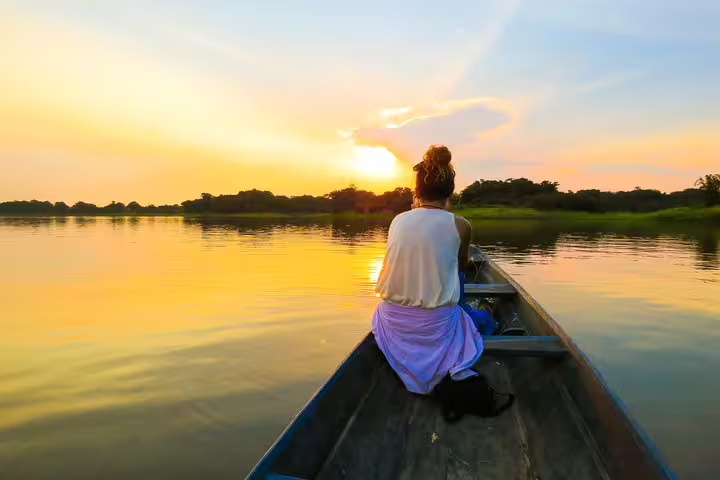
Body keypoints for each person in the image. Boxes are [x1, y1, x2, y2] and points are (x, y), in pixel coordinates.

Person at [373, 145, 486, 394]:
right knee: (472, 306)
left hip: (392, 318)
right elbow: (461, 266)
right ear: (451, 192)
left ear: (417, 192)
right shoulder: (461, 224)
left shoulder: (397, 220)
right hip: (435, 323)